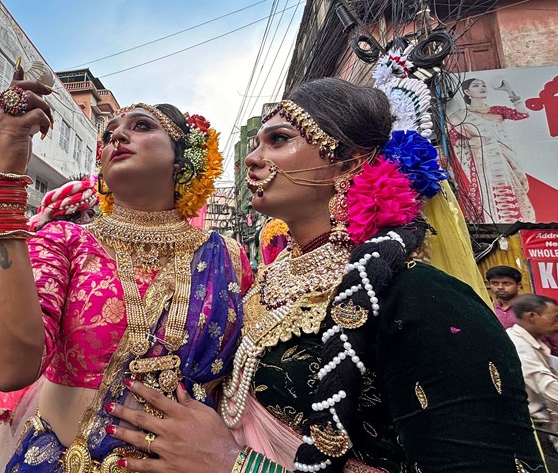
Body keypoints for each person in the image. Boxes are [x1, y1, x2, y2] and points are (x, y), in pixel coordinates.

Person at [105, 78, 545, 472]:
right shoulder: (259, 284)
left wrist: (233, 464)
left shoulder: (420, 296)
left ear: (351, 160)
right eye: (256, 144)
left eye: (279, 139)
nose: (253, 160)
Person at [0, 65, 252, 472]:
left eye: (141, 126)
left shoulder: (229, 256)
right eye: (110, 133)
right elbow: (9, 368)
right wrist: (5, 168)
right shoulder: (66, 240)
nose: (117, 135)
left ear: (182, 159)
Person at [0, 175, 99, 473]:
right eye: (92, 215)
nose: (96, 222)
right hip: (46, 375)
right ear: (78, 217)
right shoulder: (56, 244)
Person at [449, 77, 534, 223]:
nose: (482, 87)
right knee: (484, 193)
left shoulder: (496, 110)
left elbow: (522, 114)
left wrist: (509, 91)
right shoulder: (459, 116)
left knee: (511, 191)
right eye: (476, 86)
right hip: (481, 160)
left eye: (483, 85)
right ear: (467, 92)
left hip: (503, 156)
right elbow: (455, 140)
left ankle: (517, 224)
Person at [507, 294, 558, 469]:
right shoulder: (519, 347)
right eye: (554, 318)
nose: (557, 323)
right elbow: (550, 389)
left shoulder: (534, 343)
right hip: (537, 430)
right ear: (532, 316)